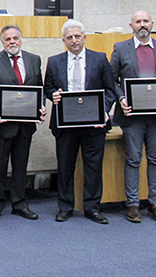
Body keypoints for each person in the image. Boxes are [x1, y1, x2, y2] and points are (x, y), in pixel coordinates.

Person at [44, 19, 119, 224]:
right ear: (63, 41)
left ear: (84, 38)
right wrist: (53, 95)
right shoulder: (54, 61)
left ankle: (92, 208)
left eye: (78, 36)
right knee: (65, 166)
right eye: (70, 37)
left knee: (93, 167)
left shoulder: (100, 59)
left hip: (93, 124)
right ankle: (65, 207)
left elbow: (110, 89)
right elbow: (47, 87)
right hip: (65, 124)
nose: (74, 40)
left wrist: (103, 111)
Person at [110, 10, 156, 223]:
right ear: (131, 25)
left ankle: (155, 204)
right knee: (133, 159)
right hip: (132, 116)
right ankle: (133, 205)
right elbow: (112, 80)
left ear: (152, 24)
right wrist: (121, 99)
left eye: (146, 21)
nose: (142, 25)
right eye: (138, 22)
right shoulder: (120, 48)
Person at [0, 25, 44, 221]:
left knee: (21, 166)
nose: (12, 42)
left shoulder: (34, 60)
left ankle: (19, 203)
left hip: (25, 126)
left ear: (21, 40)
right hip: (0, 125)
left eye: (15, 38)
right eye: (8, 39)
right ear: (2, 42)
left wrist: (40, 107)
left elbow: (38, 88)